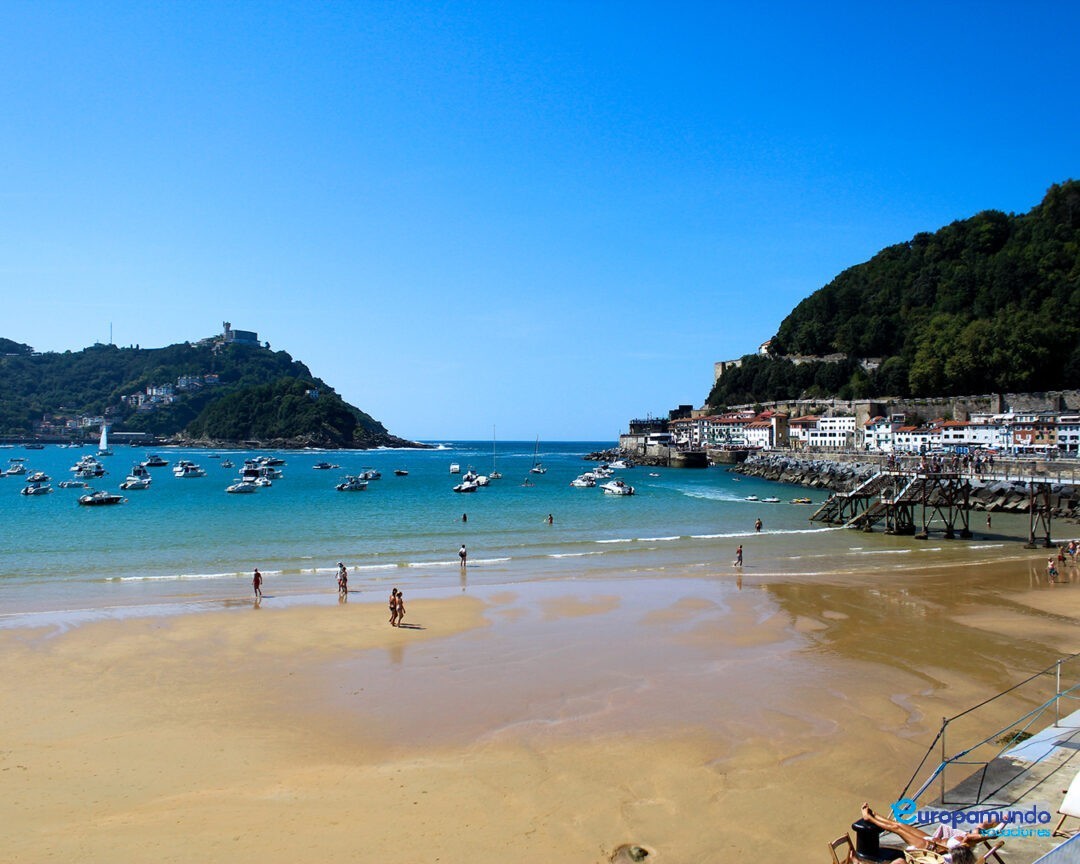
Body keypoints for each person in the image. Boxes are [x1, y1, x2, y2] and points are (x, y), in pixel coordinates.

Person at [859, 803, 998, 858]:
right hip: (932, 842)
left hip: (928, 849)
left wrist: (989, 833)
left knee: (897, 828)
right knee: (899, 825)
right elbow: (982, 831)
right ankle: (874, 815)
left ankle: (870, 818)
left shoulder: (966, 843)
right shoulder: (966, 845)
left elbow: (980, 836)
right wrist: (992, 827)